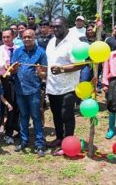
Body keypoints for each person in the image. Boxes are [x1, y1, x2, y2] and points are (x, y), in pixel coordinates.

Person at [45, 16, 84, 149]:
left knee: (67, 115)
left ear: (66, 26)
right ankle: (59, 138)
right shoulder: (51, 42)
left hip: (68, 87)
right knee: (56, 114)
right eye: (53, 26)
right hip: (52, 86)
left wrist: (62, 69)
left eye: (58, 26)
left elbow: (80, 64)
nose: (55, 29)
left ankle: (68, 143)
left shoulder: (74, 42)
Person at [10, 29, 47, 157]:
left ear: (34, 37)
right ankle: (24, 141)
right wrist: (13, 69)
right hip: (20, 90)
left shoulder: (41, 52)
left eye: (29, 37)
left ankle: (39, 144)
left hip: (34, 90)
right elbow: (12, 71)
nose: (26, 39)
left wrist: (39, 72)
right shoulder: (17, 51)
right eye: (24, 37)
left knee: (36, 116)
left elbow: (44, 74)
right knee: (23, 116)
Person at [0, 28, 19, 144]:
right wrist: (6, 66)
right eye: (3, 37)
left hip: (15, 80)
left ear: (13, 36)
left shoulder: (19, 49)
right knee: (0, 106)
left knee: (12, 106)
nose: (5, 39)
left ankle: (9, 132)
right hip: (3, 80)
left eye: (8, 37)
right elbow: (0, 62)